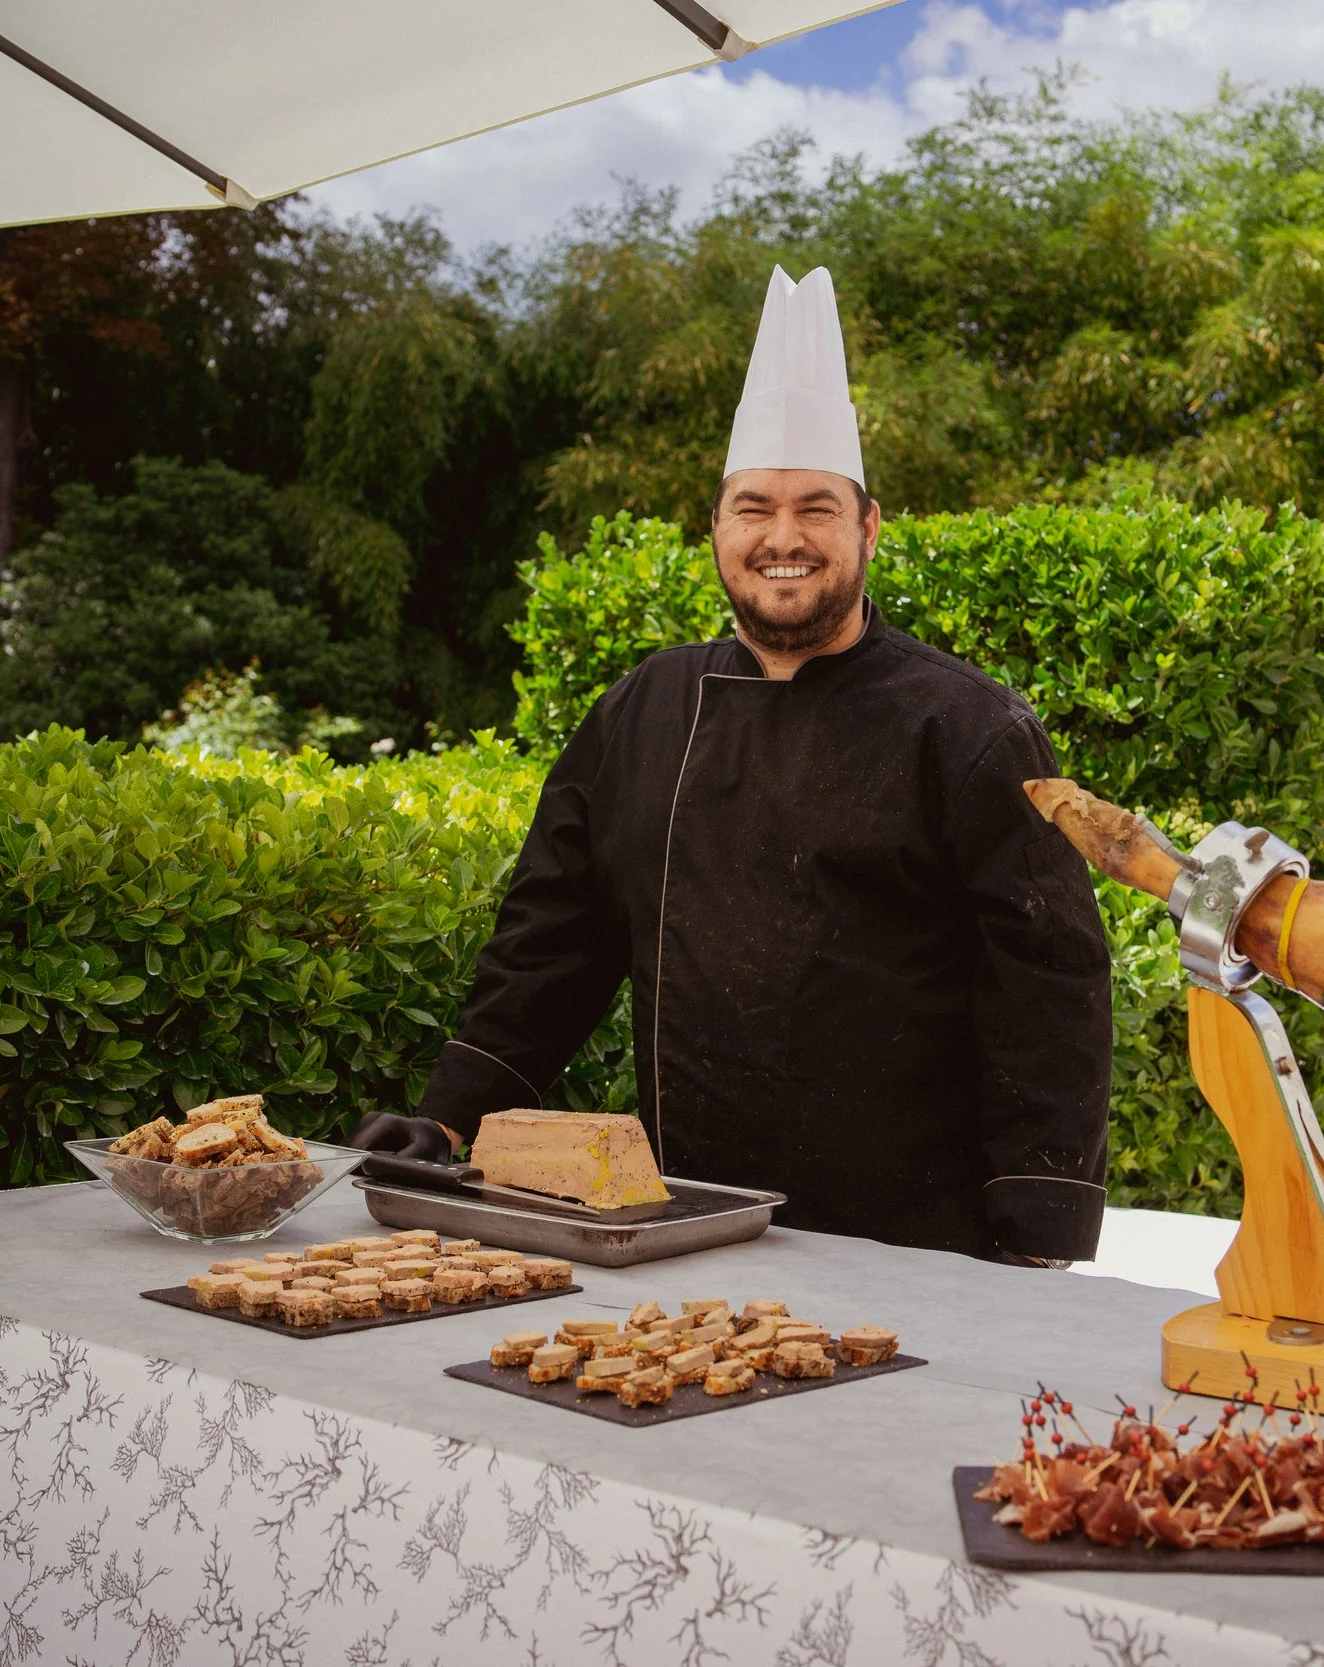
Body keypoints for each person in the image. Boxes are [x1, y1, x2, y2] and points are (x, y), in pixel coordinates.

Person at [410, 266, 1110, 1263]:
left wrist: (1038, 1229)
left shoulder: (969, 726)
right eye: (754, 507)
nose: (783, 537)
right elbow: (550, 945)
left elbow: (1047, 995)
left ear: (868, 528)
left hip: (912, 1241)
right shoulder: (643, 706)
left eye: (816, 508)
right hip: (682, 1219)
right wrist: (448, 1117)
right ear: (716, 528)